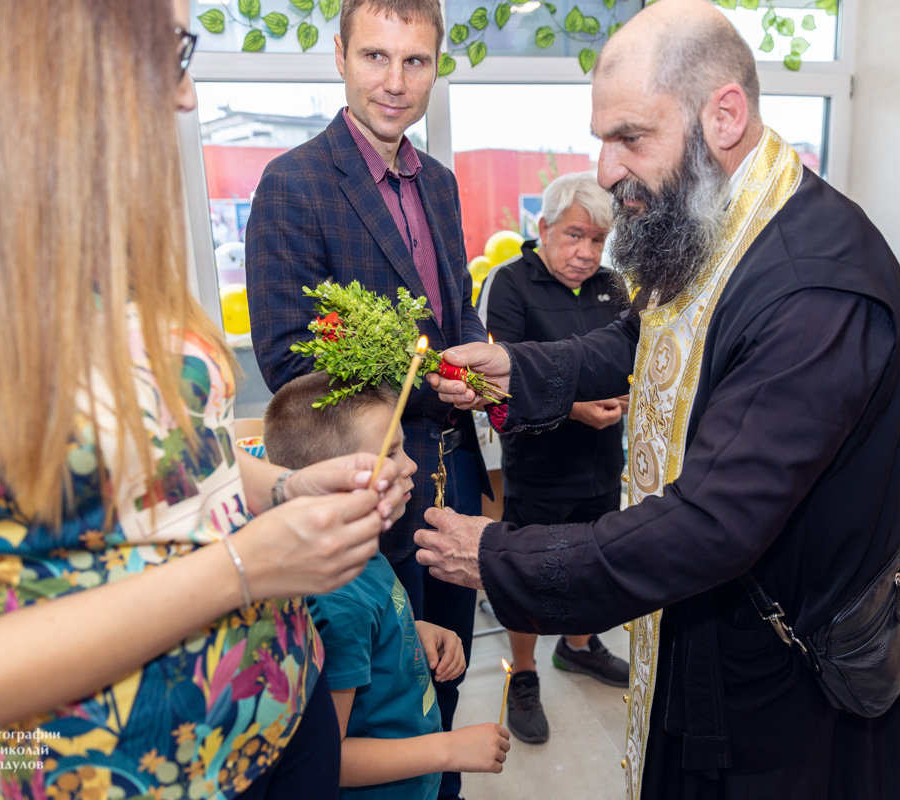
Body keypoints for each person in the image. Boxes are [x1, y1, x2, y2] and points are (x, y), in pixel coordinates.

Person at [0, 2, 408, 798]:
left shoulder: (98, 254)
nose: (186, 95)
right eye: (170, 52)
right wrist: (239, 570)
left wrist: (284, 488)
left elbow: (175, 457)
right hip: (107, 772)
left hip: (285, 717)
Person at [415, 1, 900, 798]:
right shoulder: (720, 221)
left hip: (786, 691)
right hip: (710, 632)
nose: (606, 170)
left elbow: (710, 524)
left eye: (630, 138)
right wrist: (516, 369)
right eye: (603, 139)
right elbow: (643, 337)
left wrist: (501, 557)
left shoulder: (816, 289)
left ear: (724, 115)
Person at [245, 2, 488, 795]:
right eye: (376, 57)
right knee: (374, 694)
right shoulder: (292, 184)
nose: (395, 81)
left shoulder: (439, 184)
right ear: (340, 57)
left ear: (436, 67)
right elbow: (288, 357)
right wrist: (424, 376)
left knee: (444, 671)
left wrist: (475, 367)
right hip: (367, 479)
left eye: (415, 61)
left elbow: (456, 307)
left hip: (453, 474)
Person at [263, 373, 510, 797]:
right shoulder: (340, 600)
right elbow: (329, 758)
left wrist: (409, 631)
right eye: (391, 453)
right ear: (334, 479)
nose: (411, 465)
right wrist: (450, 749)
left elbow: (365, 639)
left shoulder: (358, 553)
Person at [476, 173, 630, 745]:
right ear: (543, 228)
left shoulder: (613, 286)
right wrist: (575, 408)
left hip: (602, 460)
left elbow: (628, 359)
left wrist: (625, 395)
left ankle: (578, 646)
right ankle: (524, 672)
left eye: (597, 240)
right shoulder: (510, 283)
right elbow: (498, 383)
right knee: (527, 570)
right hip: (539, 464)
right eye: (574, 236)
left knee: (592, 563)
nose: (586, 253)